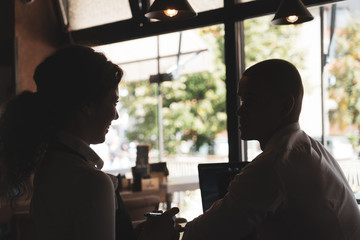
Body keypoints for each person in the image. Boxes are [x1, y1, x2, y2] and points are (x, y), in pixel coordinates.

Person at [0, 45, 180, 240]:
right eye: (113, 102)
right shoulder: (91, 181)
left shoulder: (48, 167)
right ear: (87, 105)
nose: (116, 114)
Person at [182, 59, 360, 240]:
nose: (240, 111)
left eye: (251, 100)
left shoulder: (272, 165)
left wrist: (165, 230)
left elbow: (201, 235)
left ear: (285, 106)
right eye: (242, 100)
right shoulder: (311, 149)